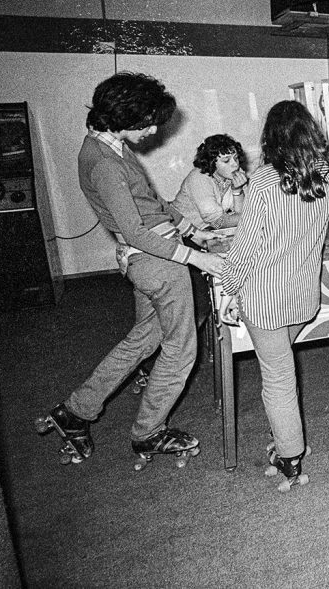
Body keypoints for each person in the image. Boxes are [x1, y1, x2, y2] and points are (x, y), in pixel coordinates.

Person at [34, 72, 225, 467]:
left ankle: (76, 410)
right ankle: (148, 432)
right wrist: (196, 256)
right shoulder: (103, 162)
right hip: (158, 262)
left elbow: (150, 200)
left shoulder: (112, 145)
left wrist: (194, 231)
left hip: (156, 256)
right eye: (147, 122)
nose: (154, 130)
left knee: (143, 340)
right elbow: (137, 232)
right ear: (122, 116)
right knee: (181, 350)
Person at [219, 100, 329, 491]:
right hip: (302, 298)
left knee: (277, 378)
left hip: (264, 299)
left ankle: (290, 456)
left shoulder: (262, 181)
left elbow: (244, 249)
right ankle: (287, 440)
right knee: (282, 369)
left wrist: (229, 289)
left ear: (270, 137)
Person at [171, 133, 249, 230]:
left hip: (211, 230)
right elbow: (217, 222)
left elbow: (244, 211)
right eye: (226, 161)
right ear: (211, 162)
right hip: (184, 230)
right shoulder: (198, 179)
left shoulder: (236, 173)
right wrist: (251, 217)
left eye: (236, 158)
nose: (235, 165)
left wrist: (237, 190)